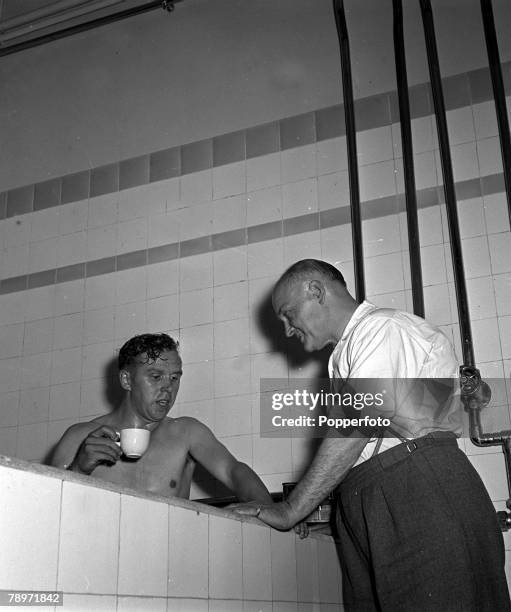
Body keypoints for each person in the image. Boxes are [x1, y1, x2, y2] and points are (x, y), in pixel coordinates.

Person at [234, 259, 510, 611]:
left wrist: (292, 510)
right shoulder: (348, 351)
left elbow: (354, 426)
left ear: (316, 291)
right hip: (387, 493)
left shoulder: (382, 329)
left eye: (289, 315)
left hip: (416, 485)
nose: (287, 330)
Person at [50, 333, 272, 504]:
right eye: (156, 377)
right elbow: (48, 509)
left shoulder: (186, 433)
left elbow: (234, 471)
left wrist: (270, 509)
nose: (168, 387)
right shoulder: (80, 436)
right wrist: (80, 468)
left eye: (175, 378)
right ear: (127, 380)